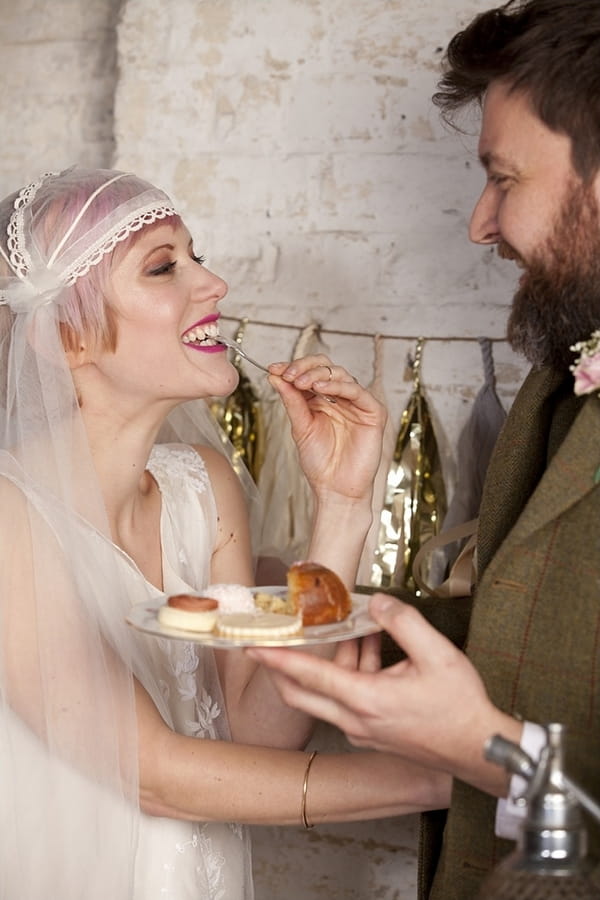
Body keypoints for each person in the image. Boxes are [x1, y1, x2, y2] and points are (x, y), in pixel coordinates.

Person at [0, 165, 448, 900]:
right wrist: (458, 775)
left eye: (195, 255)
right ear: (67, 338)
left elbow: (261, 732)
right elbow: (161, 778)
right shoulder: (10, 519)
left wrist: (341, 505)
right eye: (163, 267)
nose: (213, 284)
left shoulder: (203, 487)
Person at [248, 1, 600, 897]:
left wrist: (483, 750)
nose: (481, 226)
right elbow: (541, 632)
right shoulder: (562, 381)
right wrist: (357, 615)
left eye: (504, 178)